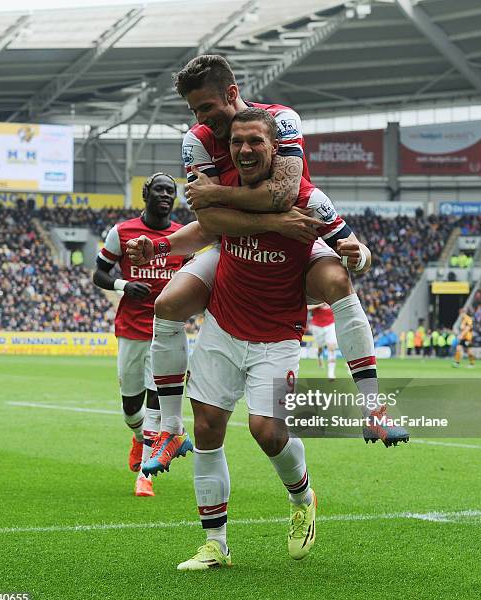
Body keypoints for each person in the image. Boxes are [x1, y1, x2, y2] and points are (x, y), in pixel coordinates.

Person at [128, 108, 408, 568]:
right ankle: (215, 544)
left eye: (255, 142)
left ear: (276, 149)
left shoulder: (309, 200)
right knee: (208, 429)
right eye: (237, 143)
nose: (244, 150)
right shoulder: (230, 195)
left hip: (277, 336)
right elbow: (205, 230)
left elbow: (355, 254)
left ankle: (303, 498)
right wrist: (160, 245)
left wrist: (359, 255)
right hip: (222, 326)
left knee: (267, 431)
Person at [143, 55, 399, 474]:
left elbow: (284, 193)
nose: (202, 119)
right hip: (240, 246)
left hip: (294, 243)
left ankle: (373, 406)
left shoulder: (281, 120)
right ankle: (168, 428)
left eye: (207, 107)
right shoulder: (198, 140)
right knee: (168, 304)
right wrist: (275, 220)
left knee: (337, 278)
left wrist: (358, 253)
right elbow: (210, 222)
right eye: (195, 111)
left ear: (232, 93)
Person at [92, 173, 192, 497]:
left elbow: (193, 277)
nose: (165, 195)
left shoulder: (182, 236)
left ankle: (145, 476)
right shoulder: (121, 233)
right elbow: (99, 273)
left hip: (167, 330)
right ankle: (138, 439)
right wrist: (124, 285)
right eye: (160, 189)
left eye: (171, 191)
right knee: (130, 409)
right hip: (131, 329)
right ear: (146, 193)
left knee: (156, 403)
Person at [308, 303, 338, 381]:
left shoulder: (332, 294)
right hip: (317, 326)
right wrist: (319, 304)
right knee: (320, 347)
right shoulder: (316, 296)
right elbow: (307, 307)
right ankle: (319, 357)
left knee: (331, 347)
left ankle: (331, 374)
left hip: (330, 324)